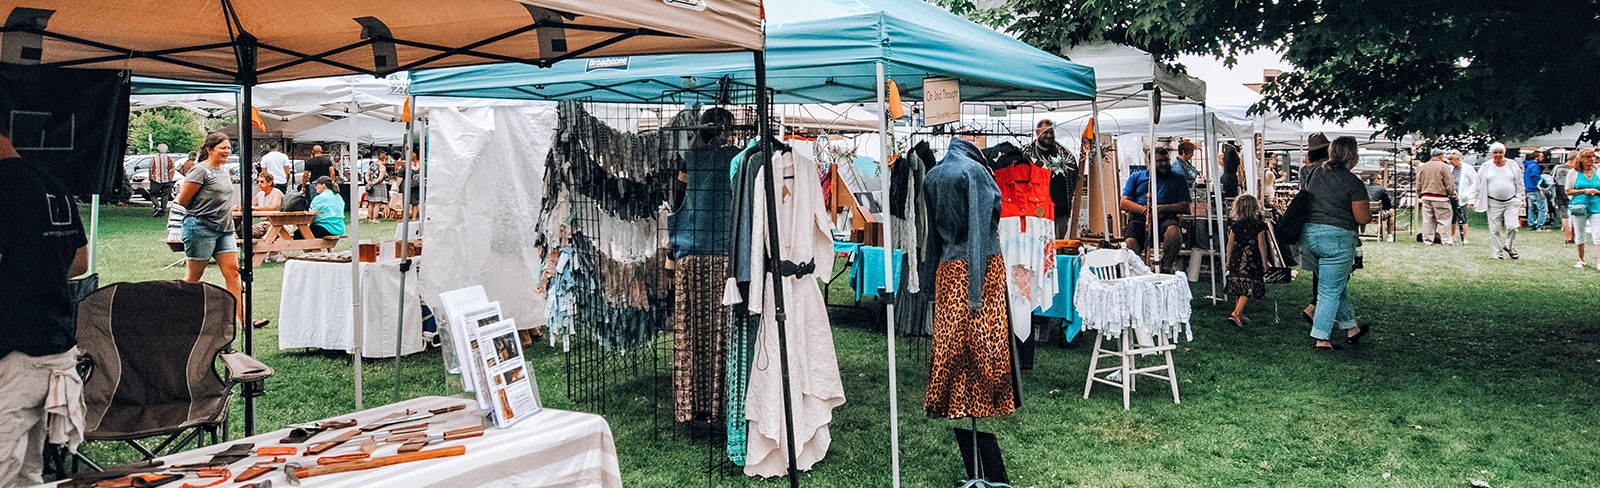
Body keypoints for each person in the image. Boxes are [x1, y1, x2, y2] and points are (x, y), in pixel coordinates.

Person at [0, 134, 89, 487]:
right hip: (54, 344)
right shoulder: (52, 183)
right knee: (26, 472)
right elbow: (79, 261)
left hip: (13, 347)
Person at [177, 132, 266, 328]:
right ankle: (179, 316)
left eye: (228, 148)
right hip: (200, 227)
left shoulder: (224, 171)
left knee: (233, 272)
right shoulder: (200, 171)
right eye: (222, 148)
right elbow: (183, 200)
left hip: (225, 229)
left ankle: (244, 319)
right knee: (193, 278)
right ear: (209, 150)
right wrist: (207, 209)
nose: (227, 151)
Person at [1300, 136, 1371, 349]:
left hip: (1309, 235)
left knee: (1334, 285)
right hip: (1337, 239)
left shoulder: (1315, 174)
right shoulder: (1353, 182)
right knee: (1329, 290)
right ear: (1353, 155)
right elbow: (1362, 217)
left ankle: (1351, 328)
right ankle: (1322, 338)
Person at [1120, 146, 1190, 270]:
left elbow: (1185, 206)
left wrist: (1162, 208)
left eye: (1166, 160)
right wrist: (1144, 210)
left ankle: (1165, 268)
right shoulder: (1136, 177)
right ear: (1150, 162)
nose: (1164, 164)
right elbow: (1124, 202)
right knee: (1130, 243)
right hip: (1139, 219)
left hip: (1165, 218)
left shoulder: (1178, 179)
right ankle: (1138, 269)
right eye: (1159, 161)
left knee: (1174, 233)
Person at [1224, 194, 1268, 327]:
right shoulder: (1258, 225)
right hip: (1251, 258)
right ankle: (1236, 312)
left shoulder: (1235, 225)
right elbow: (1262, 244)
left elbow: (1230, 243)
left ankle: (1240, 311)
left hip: (1236, 258)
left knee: (1239, 285)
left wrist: (1228, 259)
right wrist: (1264, 262)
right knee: (1248, 287)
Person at [1475, 143, 1525, 259]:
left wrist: (1519, 197)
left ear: (1504, 153)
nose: (1498, 155)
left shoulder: (1512, 165)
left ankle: (1509, 246)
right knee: (1494, 229)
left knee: (1513, 226)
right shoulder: (1486, 166)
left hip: (1511, 200)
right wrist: (1474, 199)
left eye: (1500, 152)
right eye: (1495, 153)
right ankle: (1497, 253)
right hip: (1493, 202)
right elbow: (1478, 183)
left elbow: (1519, 183)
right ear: (1491, 154)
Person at [1564, 149, 1600, 268]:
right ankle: (1581, 259)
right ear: (1581, 159)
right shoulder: (1573, 173)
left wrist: (1596, 192)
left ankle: (1599, 262)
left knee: (1598, 234)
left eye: (1593, 157)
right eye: (1588, 157)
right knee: (1579, 233)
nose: (1591, 159)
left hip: (1596, 206)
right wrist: (1584, 191)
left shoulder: (1598, 172)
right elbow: (1568, 190)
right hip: (1578, 207)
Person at [1416, 150, 1457, 245]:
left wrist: (1420, 194)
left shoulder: (1423, 167)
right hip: (1440, 197)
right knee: (1444, 220)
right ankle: (1446, 241)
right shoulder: (1444, 167)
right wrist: (1452, 195)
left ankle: (1428, 240)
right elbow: (1449, 183)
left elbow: (1418, 182)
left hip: (1426, 196)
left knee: (1428, 220)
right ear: (1441, 156)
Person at [1447, 149, 1476, 244]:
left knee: (1463, 217)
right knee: (1452, 217)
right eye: (1449, 159)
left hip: (1463, 196)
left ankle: (1464, 237)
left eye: (1452, 158)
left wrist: (1471, 199)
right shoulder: (1449, 168)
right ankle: (1451, 236)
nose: (1450, 161)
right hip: (1451, 197)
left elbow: (1474, 183)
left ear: (1459, 158)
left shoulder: (1468, 168)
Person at [1552, 154, 1576, 244]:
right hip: (1573, 191)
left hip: (1559, 192)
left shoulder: (1558, 167)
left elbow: (1552, 179)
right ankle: (1572, 236)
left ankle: (1568, 237)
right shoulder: (1576, 169)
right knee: (1575, 214)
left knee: (1564, 215)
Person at [149, 143, 177, 217]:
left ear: (159, 149)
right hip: (167, 180)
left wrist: (151, 177)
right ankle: (163, 210)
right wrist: (170, 177)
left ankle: (156, 206)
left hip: (156, 179)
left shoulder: (154, 158)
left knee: (153, 194)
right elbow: (172, 169)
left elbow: (151, 168)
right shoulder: (169, 159)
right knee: (165, 195)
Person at [1524, 150, 1547, 230]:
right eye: (1541, 157)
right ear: (1537, 158)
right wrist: (1541, 189)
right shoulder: (1535, 166)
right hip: (1535, 189)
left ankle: (1531, 224)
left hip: (1528, 189)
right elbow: (1536, 177)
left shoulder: (1527, 165)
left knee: (1531, 208)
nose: (1543, 158)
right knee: (1541, 207)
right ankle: (1540, 225)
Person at [364, 153, 390, 223]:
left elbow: (366, 174)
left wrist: (368, 181)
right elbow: (380, 178)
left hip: (370, 186)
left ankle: (370, 218)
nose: (386, 162)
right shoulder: (382, 167)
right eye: (386, 160)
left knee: (370, 203)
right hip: (379, 186)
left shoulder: (372, 165)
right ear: (384, 159)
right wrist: (374, 183)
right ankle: (375, 219)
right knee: (377, 203)